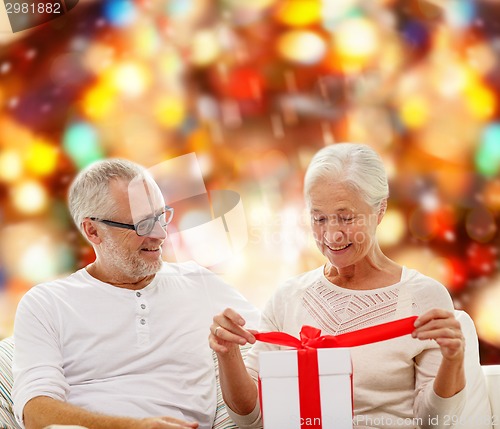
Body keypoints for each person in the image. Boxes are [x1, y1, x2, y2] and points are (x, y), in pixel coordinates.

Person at [209, 143, 470, 429]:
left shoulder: (423, 297)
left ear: (379, 210)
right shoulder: (287, 298)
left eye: (346, 218)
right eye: (319, 219)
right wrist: (228, 353)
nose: (331, 235)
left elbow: (434, 422)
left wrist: (453, 360)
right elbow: (252, 420)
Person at [12, 159, 259, 429]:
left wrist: (230, 352)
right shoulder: (47, 303)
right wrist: (134, 427)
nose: (161, 234)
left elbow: (281, 344)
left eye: (161, 216)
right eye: (142, 224)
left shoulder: (200, 284)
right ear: (93, 230)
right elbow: (35, 413)